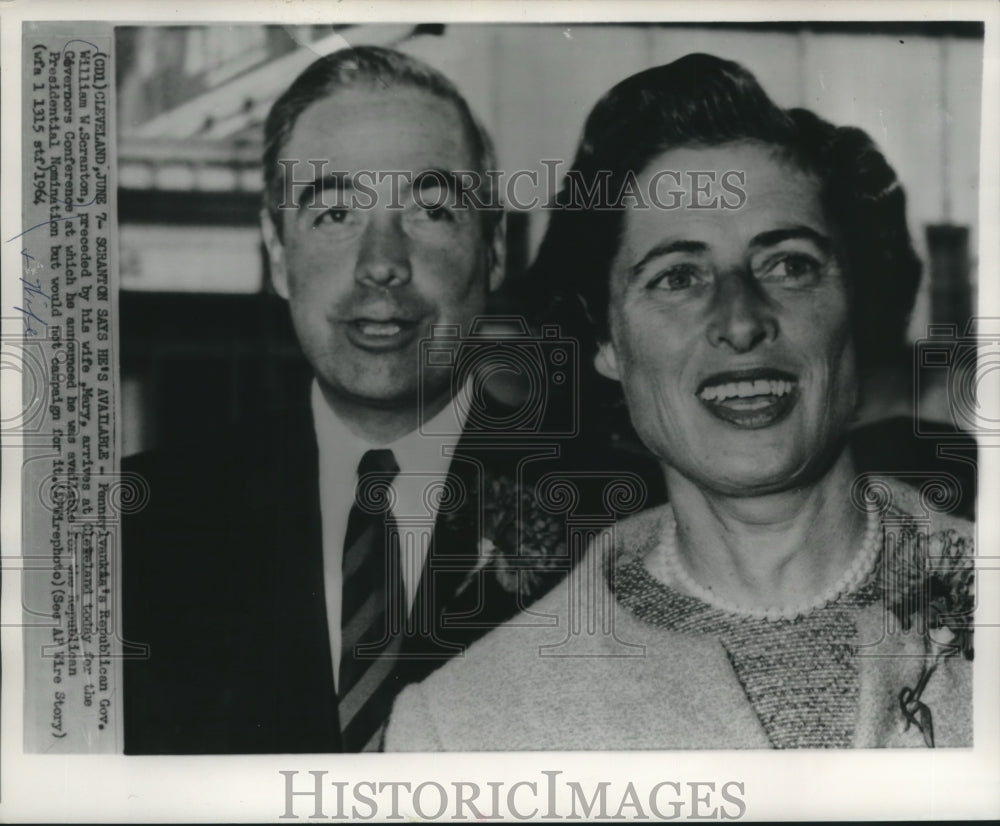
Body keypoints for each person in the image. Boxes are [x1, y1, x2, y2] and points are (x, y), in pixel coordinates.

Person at [385, 53, 974, 750]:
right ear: (606, 338)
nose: (741, 321)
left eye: (788, 264)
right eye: (677, 276)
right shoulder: (463, 728)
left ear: (856, 304)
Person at [122, 46, 648, 754]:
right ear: (278, 253)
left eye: (430, 211)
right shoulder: (135, 529)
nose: (381, 264)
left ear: (493, 248)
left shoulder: (618, 521)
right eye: (335, 213)